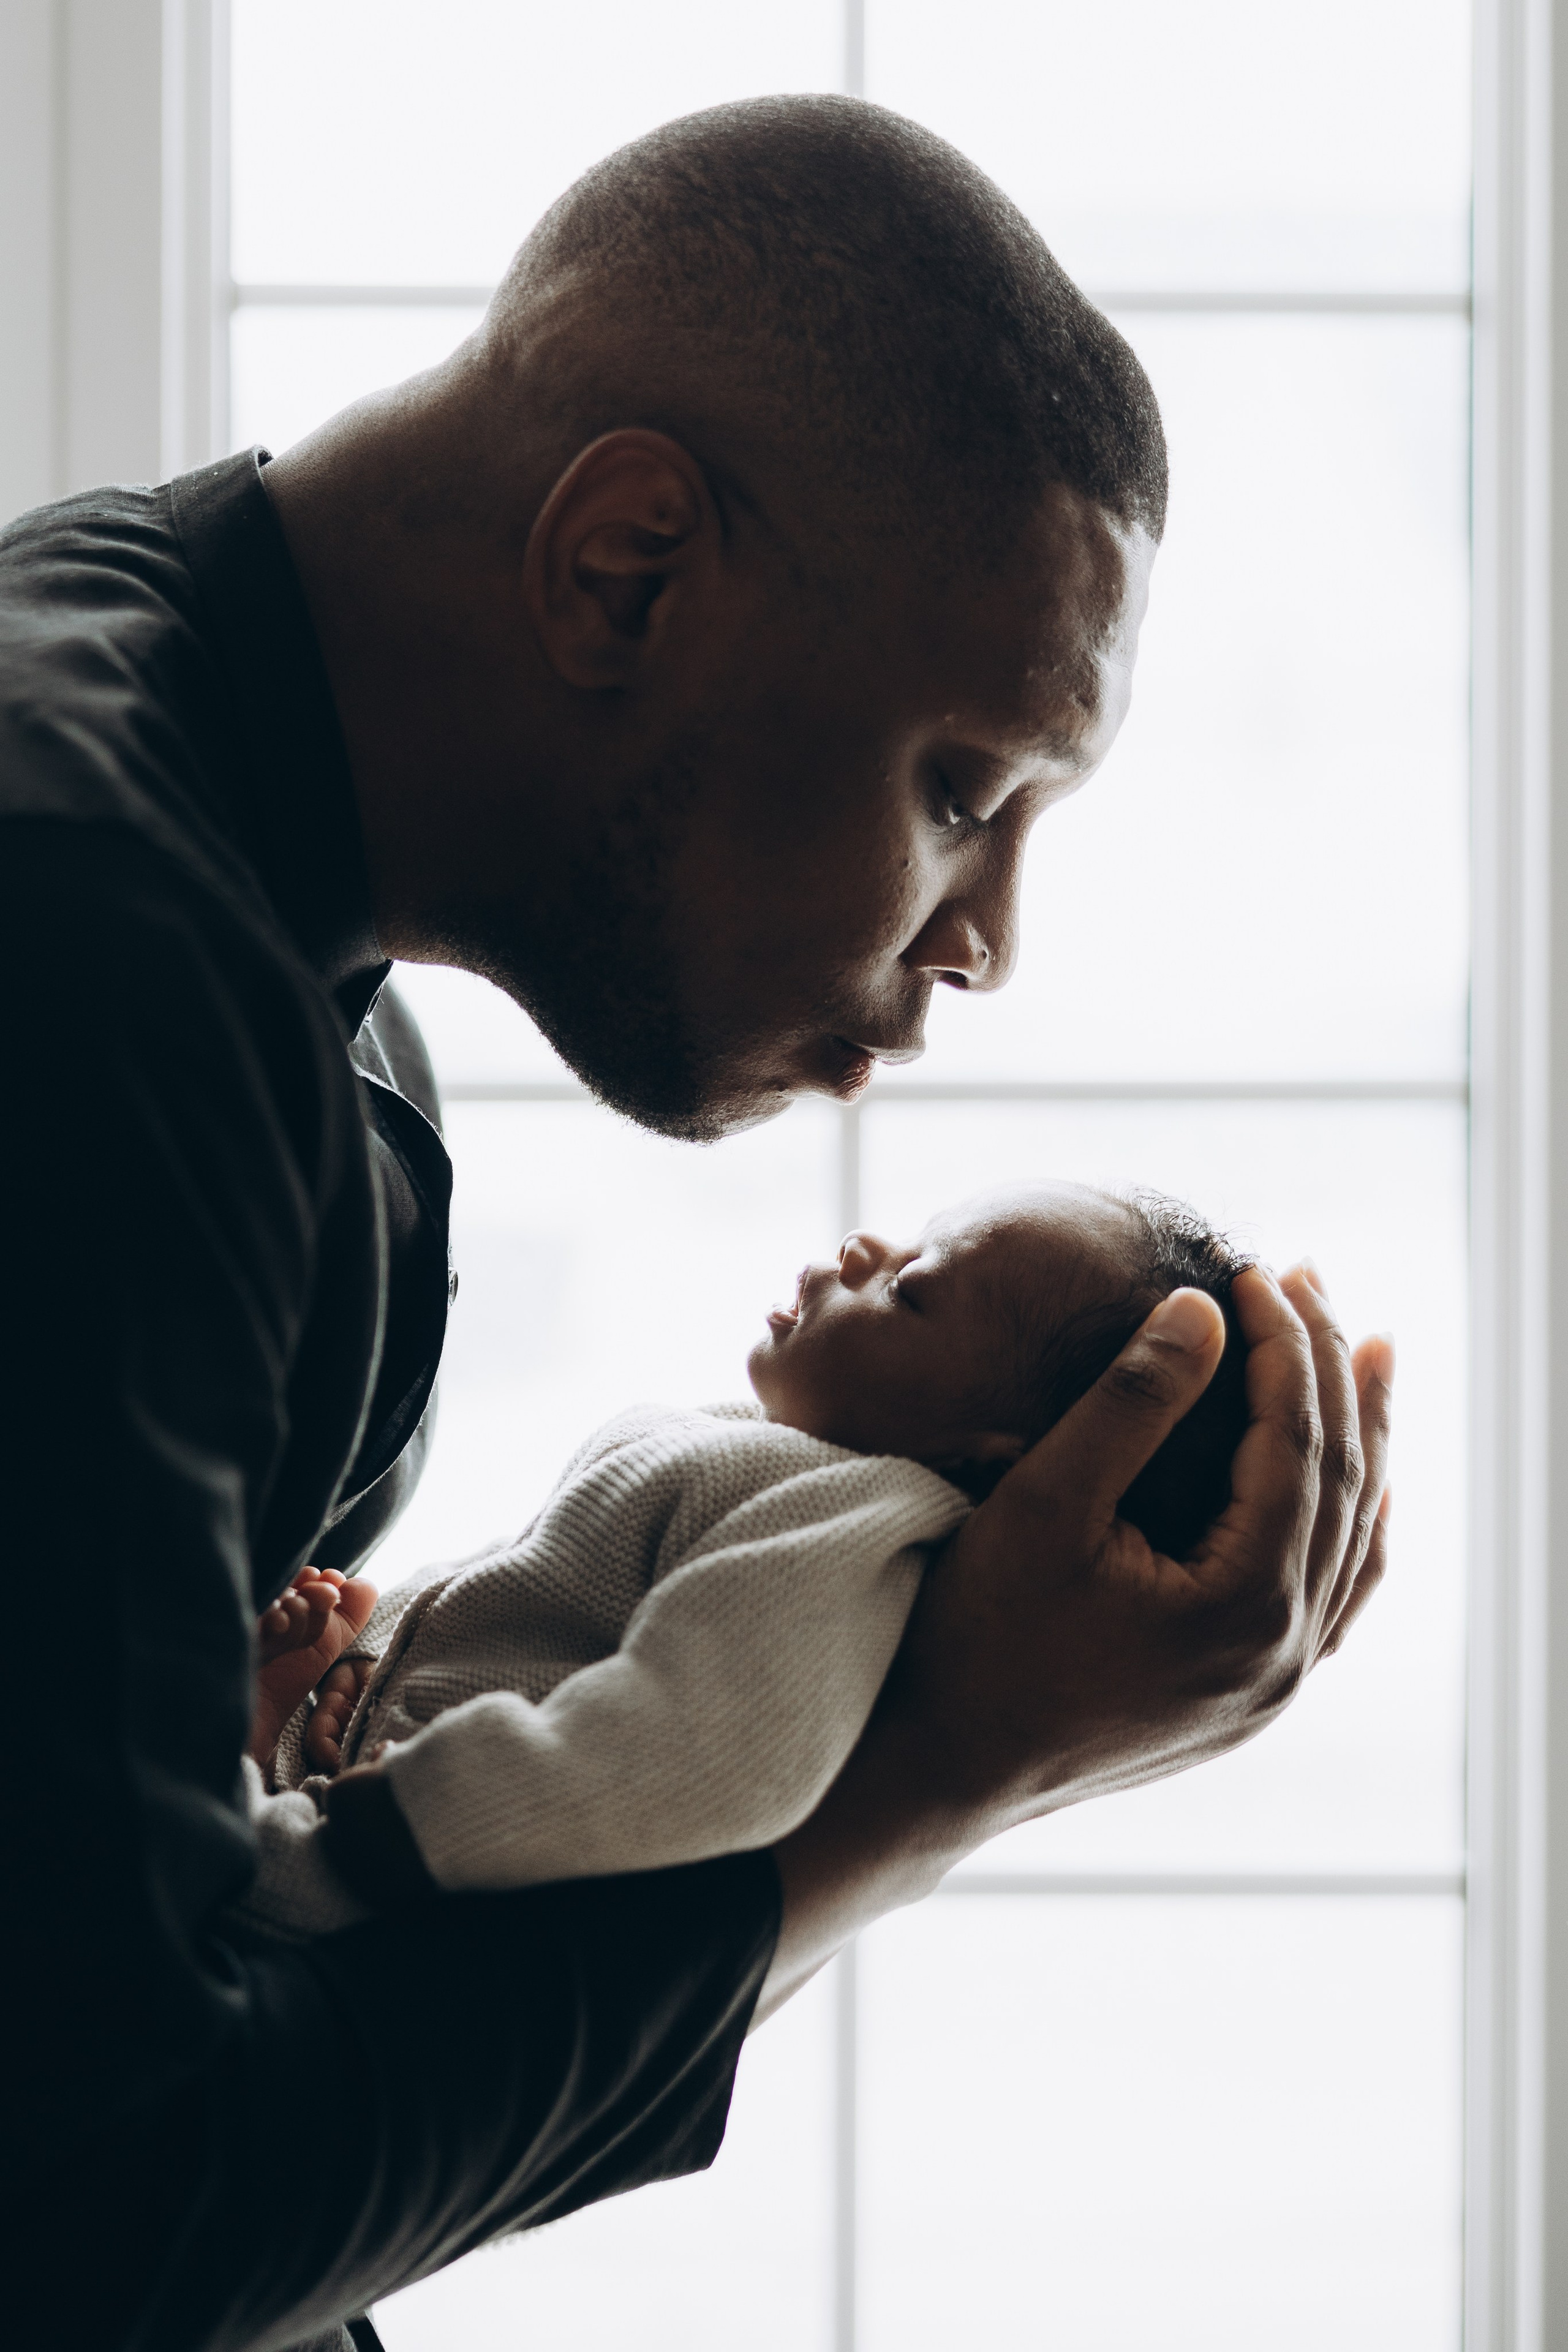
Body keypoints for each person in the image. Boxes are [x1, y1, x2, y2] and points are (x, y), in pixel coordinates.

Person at [0, 93, 1390, 2352]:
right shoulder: (79, 957)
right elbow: (93, 2221)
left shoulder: (331, 1045)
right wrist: (935, 1774)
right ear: (625, 565)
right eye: (963, 788)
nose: (987, 945)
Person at [235, 1183, 1251, 1943]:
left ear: (977, 1457)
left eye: (912, 1288)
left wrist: (377, 1824)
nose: (865, 1248)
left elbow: (696, 1758)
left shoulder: (848, 1533)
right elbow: (534, 1603)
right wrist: (363, 1644)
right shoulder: (784, 1469)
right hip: (350, 1772)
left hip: (344, 1881)